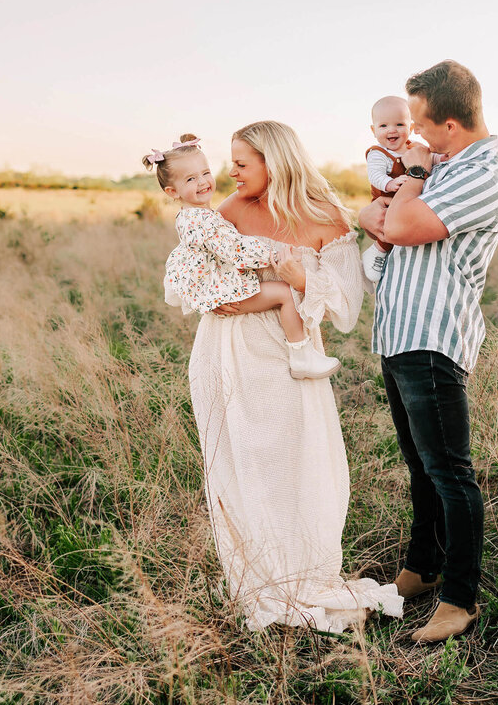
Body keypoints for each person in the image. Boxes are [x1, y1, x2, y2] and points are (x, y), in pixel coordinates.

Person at [188, 120, 404, 632]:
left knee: (302, 460)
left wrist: (299, 277)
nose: (230, 173)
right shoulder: (227, 213)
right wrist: (239, 297)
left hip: (293, 354)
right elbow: (197, 280)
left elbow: (347, 306)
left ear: (273, 162)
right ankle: (257, 576)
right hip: (228, 351)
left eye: (241, 163)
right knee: (242, 463)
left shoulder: (326, 216)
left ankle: (305, 571)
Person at [358, 60, 498, 643]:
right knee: (419, 464)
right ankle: (422, 569)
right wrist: (378, 209)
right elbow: (377, 216)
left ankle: (459, 598)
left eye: (420, 123)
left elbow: (398, 226)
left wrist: (414, 177)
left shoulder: (478, 173)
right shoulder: (443, 163)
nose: (413, 135)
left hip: (433, 335)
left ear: (448, 122)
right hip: (398, 331)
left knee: (450, 473)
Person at [151, 134, 340, 379]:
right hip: (224, 292)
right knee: (286, 293)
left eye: (205, 173)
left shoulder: (195, 216)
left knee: (283, 293)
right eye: (191, 179)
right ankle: (302, 355)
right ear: (172, 191)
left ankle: (302, 354)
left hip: (220, 289)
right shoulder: (200, 221)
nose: (202, 182)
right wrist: (273, 254)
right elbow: (235, 249)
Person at [360, 96, 444, 283]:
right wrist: (389, 184)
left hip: (407, 200)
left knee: (404, 224)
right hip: (386, 198)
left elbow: (429, 158)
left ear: (411, 128)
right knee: (388, 224)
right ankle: (377, 252)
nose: (391, 130)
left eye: (399, 124)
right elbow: (375, 176)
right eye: (383, 126)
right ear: (374, 130)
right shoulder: (378, 154)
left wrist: (440, 159)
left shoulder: (414, 147)